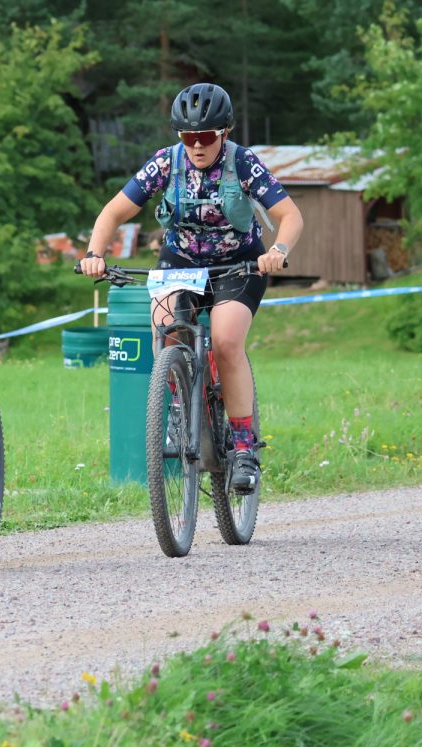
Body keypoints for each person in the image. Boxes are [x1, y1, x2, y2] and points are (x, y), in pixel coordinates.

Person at [79, 82, 304, 494]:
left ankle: (243, 447)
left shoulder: (243, 163)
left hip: (239, 265)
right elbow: (113, 212)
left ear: (225, 133)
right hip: (181, 262)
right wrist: (94, 253)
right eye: (188, 137)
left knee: (226, 341)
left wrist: (279, 250)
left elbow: (290, 215)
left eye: (206, 136)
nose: (197, 146)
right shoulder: (166, 164)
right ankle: (181, 406)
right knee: (164, 329)